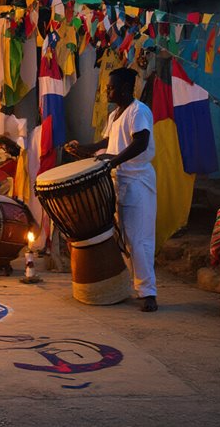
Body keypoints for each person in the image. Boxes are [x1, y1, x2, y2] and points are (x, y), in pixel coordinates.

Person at [65, 67, 158, 312]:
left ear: (125, 88)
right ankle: (131, 286)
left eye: (111, 87)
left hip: (138, 181)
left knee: (139, 239)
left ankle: (148, 293)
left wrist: (113, 161)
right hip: (118, 180)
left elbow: (141, 142)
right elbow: (106, 143)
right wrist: (82, 149)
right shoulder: (115, 114)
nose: (107, 91)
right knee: (123, 238)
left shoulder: (139, 111)